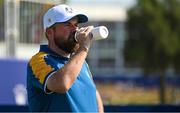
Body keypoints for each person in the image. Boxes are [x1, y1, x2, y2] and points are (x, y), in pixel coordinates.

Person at [26, 4, 104, 112]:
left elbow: (93, 94)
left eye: (76, 25)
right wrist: (83, 48)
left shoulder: (80, 61)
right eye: (68, 25)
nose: (75, 29)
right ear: (49, 32)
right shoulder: (39, 60)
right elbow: (62, 84)